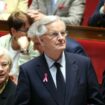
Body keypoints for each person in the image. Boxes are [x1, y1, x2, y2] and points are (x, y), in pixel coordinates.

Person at [15, 16, 104, 105]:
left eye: (63, 33)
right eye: (54, 34)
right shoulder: (28, 70)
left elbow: (96, 102)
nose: (61, 38)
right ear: (41, 40)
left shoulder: (83, 64)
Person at [0, 11, 40, 83]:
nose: (30, 34)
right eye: (26, 30)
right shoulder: (2, 42)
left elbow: (27, 75)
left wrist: (24, 51)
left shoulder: (35, 46)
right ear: (13, 31)